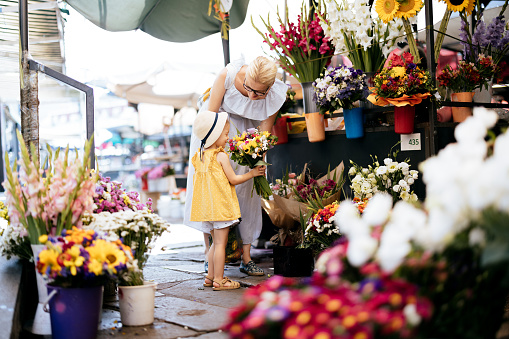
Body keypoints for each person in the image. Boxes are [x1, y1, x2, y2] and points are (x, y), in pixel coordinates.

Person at [183, 56, 287, 275]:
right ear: (246, 76)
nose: (252, 96)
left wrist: (258, 156)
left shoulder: (276, 92)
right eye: (249, 88)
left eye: (259, 93)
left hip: (247, 135)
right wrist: (212, 155)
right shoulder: (227, 76)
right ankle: (209, 254)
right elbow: (211, 118)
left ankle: (246, 257)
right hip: (217, 132)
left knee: (248, 192)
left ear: (270, 87)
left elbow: (265, 131)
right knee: (212, 190)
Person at [191, 110, 265, 290]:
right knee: (220, 245)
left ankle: (209, 278)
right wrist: (252, 173)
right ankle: (219, 279)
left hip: (206, 208)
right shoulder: (220, 156)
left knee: (213, 244)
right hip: (221, 207)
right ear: (214, 135)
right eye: (224, 134)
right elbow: (234, 179)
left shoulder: (199, 156)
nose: (226, 137)